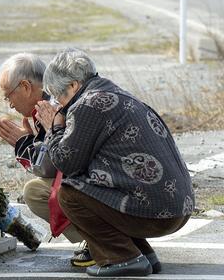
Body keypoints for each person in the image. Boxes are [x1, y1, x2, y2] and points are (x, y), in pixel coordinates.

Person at [37, 48, 193, 277]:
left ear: (73, 86)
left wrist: (53, 126)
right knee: (103, 186)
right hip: (177, 207)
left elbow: (66, 163)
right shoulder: (114, 93)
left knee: (70, 193)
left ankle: (122, 258)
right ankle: (142, 254)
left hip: (158, 213)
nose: (58, 104)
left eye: (58, 96)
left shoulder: (88, 104)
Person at [0, 53, 92, 266]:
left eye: (8, 95)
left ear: (25, 87)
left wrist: (24, 144)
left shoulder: (52, 107)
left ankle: (98, 241)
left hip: (97, 182)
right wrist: (30, 141)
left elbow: (53, 165)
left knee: (35, 192)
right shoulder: (48, 102)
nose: (10, 105)